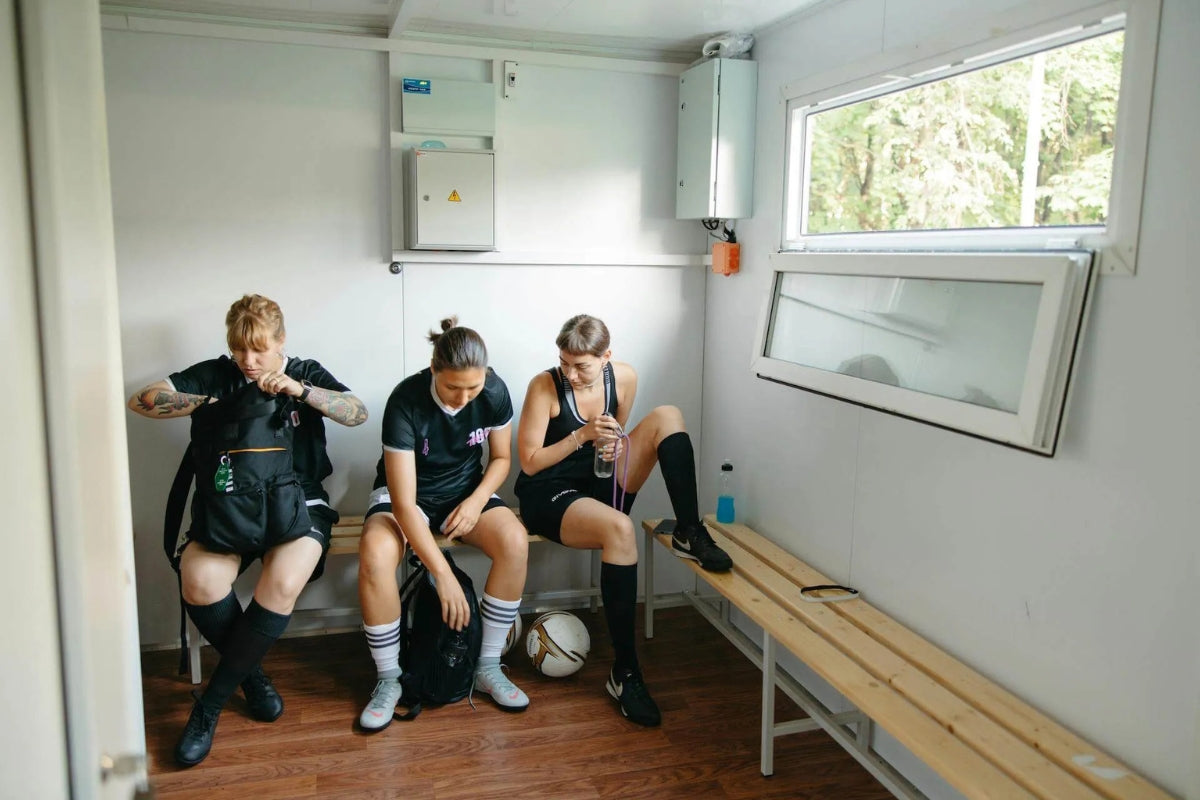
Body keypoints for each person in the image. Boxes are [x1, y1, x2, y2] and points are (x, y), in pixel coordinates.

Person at [127, 294, 367, 767]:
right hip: (229, 504)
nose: (249, 360)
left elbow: (355, 413)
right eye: (240, 349)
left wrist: (299, 391)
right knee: (197, 579)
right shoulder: (217, 373)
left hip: (299, 503)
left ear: (281, 341)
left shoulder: (305, 370)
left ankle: (209, 705)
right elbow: (141, 401)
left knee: (281, 581)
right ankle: (251, 674)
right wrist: (211, 401)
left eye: (259, 349)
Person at [514, 314, 732, 728]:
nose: (571, 374)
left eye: (582, 366)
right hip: (549, 491)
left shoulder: (625, 377)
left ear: (606, 357)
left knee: (667, 415)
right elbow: (529, 461)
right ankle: (625, 672)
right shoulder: (544, 386)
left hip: (597, 482)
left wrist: (613, 447)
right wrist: (581, 437)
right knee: (620, 528)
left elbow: (620, 435)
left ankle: (689, 529)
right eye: (564, 363)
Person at [356, 317, 530, 731]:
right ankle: (389, 679)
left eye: (473, 387)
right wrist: (442, 574)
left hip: (465, 494)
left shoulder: (494, 392)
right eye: (454, 387)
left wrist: (474, 501)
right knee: (376, 553)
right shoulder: (405, 401)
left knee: (515, 541)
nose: (464, 397)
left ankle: (488, 665)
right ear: (434, 370)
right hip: (408, 498)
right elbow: (402, 501)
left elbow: (502, 459)